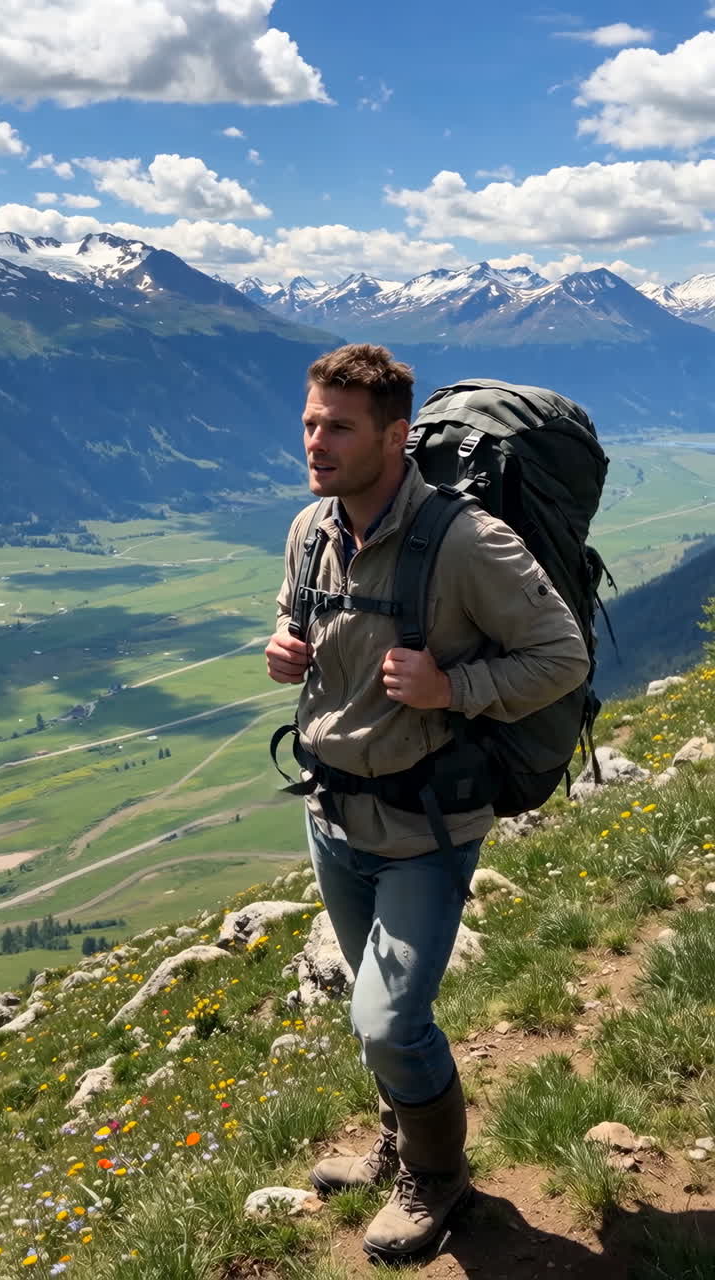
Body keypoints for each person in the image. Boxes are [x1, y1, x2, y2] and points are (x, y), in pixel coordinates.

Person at [265, 343, 590, 1261]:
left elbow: (561, 658)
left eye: (338, 426)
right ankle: (399, 1137)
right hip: (331, 816)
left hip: (426, 826)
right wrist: (284, 645)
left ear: (396, 436)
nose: (315, 442)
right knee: (382, 1015)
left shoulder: (467, 543)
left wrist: (454, 688)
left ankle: (436, 1177)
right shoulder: (309, 530)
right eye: (309, 422)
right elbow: (299, 615)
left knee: (388, 1019)